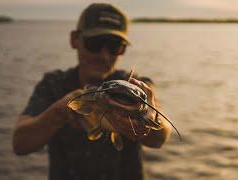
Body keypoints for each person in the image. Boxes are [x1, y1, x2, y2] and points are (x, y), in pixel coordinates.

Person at [12, 3, 171, 180]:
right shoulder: (52, 85)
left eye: (115, 46)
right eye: (94, 44)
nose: (104, 56)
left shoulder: (137, 85)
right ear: (74, 39)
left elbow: (161, 137)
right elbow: (20, 144)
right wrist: (59, 112)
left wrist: (146, 118)